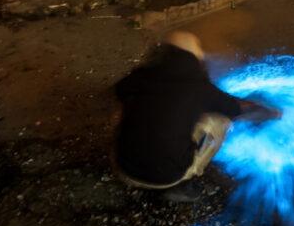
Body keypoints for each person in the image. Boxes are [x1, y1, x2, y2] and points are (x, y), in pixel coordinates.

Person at [113, 30, 278, 202]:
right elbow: (238, 109)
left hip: (123, 168)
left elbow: (119, 91)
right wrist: (273, 113)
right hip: (166, 178)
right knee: (218, 120)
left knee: (133, 109)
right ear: (193, 59)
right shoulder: (199, 87)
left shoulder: (139, 76)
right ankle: (184, 184)